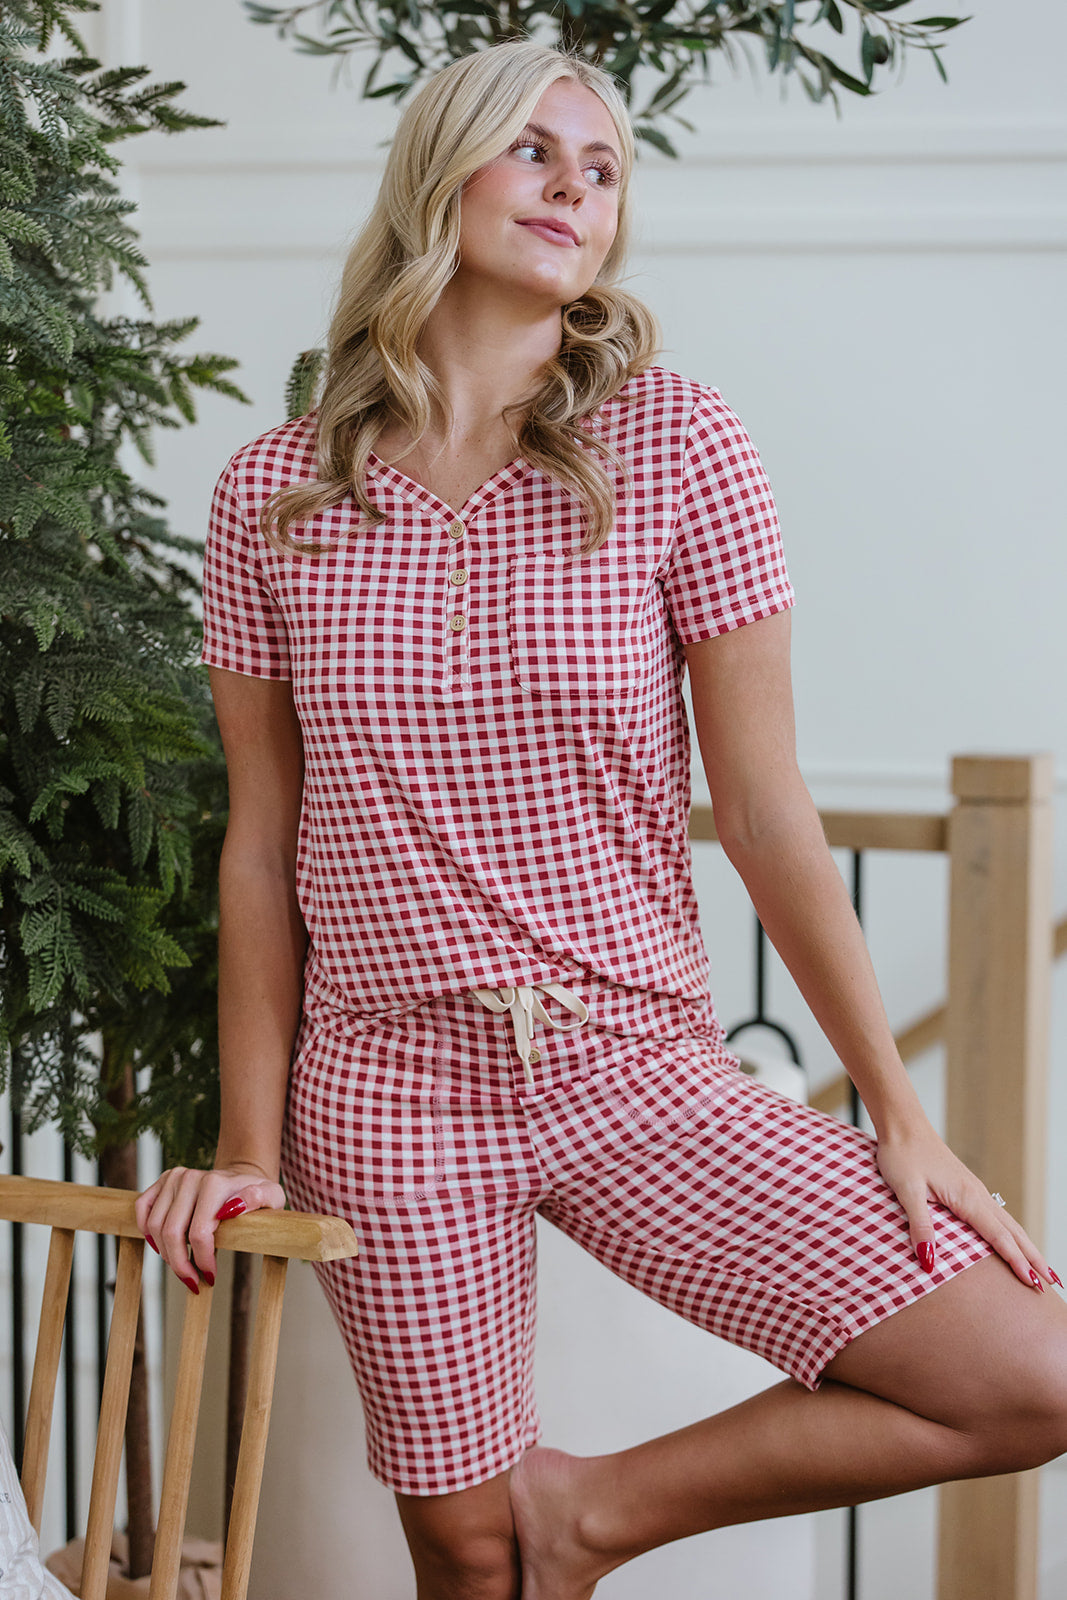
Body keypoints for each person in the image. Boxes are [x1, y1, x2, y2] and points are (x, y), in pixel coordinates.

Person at [136, 37, 1067, 1600]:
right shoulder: (273, 494)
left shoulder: (681, 443)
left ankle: (590, 1517)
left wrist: (900, 1115)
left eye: (604, 169)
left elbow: (764, 809)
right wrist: (248, 1145)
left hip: (631, 1057)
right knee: (468, 1562)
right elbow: (262, 846)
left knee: (1031, 1373)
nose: (575, 188)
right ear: (441, 173)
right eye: (535, 151)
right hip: (388, 1088)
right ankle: (530, 1540)